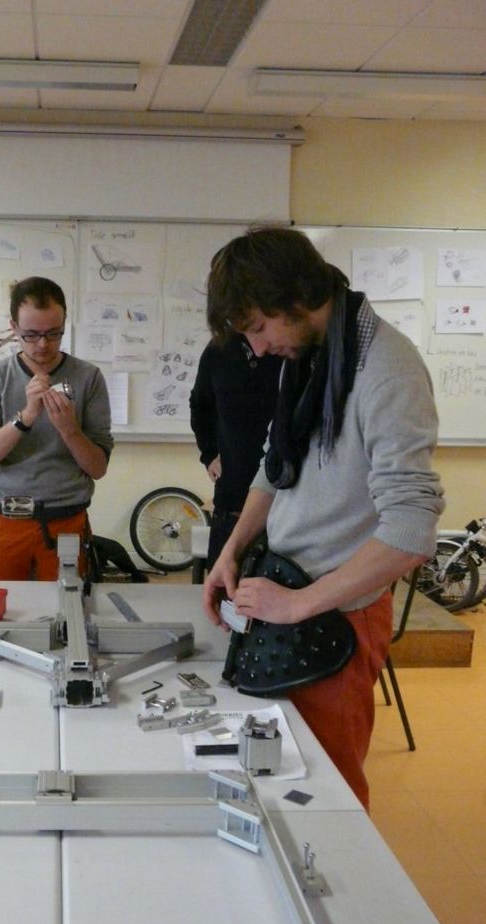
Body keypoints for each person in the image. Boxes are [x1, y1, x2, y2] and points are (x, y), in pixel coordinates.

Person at [202, 227, 444, 808]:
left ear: (294, 300)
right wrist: (231, 550)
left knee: (327, 793)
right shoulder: (311, 358)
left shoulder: (386, 370)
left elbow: (411, 529)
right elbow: (274, 467)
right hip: (287, 595)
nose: (258, 348)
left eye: (258, 327)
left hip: (335, 616)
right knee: (280, 777)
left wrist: (298, 605)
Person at [0, 277, 113, 580]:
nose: (43, 344)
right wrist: (25, 417)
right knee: (3, 605)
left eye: (53, 333)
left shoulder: (88, 377)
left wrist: (69, 430)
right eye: (31, 335)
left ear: (64, 324)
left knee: (67, 605)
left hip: (66, 519)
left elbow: (98, 468)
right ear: (13, 327)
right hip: (6, 519)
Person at [189, 334, 280, 569]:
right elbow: (200, 405)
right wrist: (209, 455)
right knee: (224, 583)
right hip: (232, 498)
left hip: (285, 502)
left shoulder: (289, 347)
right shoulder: (219, 349)